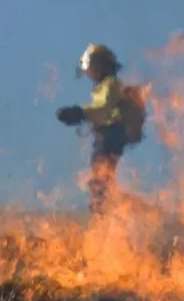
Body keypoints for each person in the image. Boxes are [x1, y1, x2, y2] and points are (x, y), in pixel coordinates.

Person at [55, 43, 146, 215]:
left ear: (98, 65)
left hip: (110, 134)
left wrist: (79, 113)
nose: (89, 72)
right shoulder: (106, 86)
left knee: (101, 178)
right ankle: (108, 207)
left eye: (91, 67)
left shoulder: (110, 84)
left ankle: (108, 210)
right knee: (101, 177)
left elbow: (103, 108)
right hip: (107, 134)